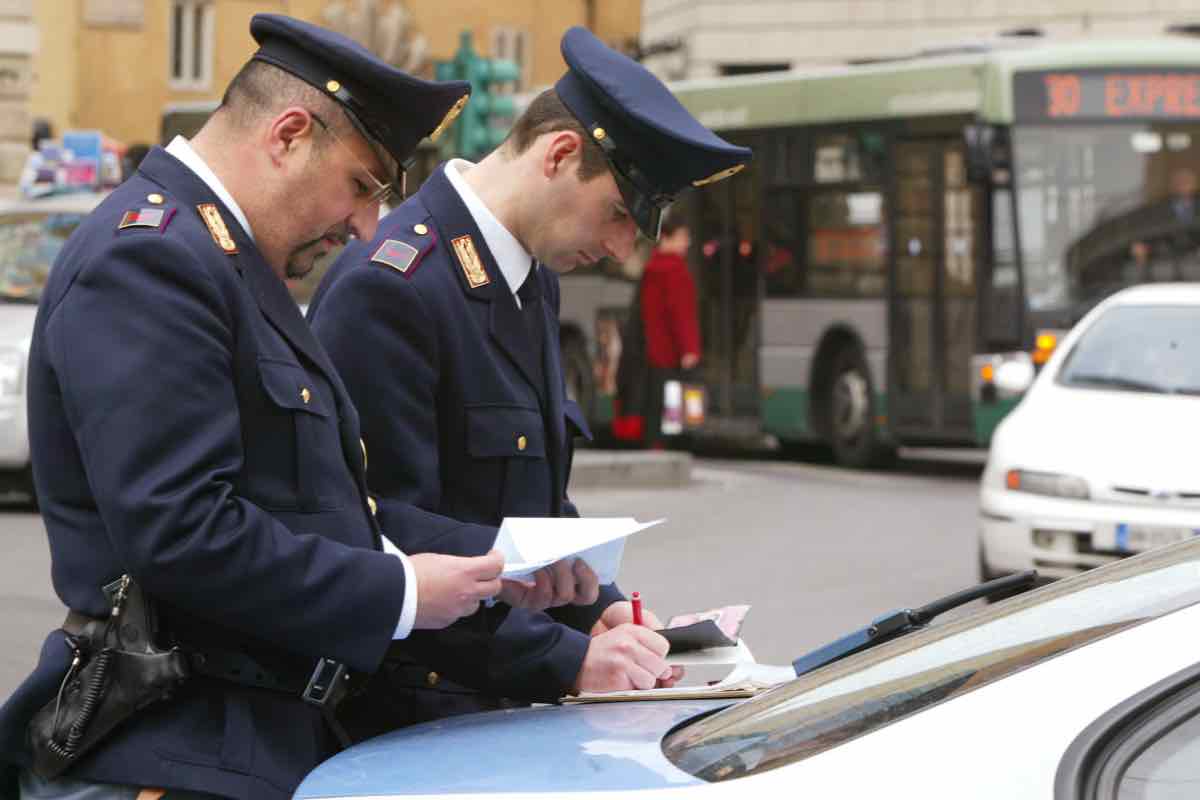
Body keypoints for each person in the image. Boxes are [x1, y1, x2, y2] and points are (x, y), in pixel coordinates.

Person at [0, 14, 513, 800]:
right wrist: (401, 592)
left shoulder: (224, 263)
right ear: (288, 134)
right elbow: (182, 530)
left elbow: (326, 510)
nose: (366, 225)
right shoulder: (151, 258)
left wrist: (496, 574)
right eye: (361, 185)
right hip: (176, 747)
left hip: (245, 740)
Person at [306, 26, 752, 732]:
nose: (616, 248)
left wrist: (601, 605)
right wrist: (567, 659)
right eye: (616, 214)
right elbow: (373, 537)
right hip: (412, 718)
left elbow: (529, 513)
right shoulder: (394, 288)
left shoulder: (530, 281)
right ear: (560, 153)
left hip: (496, 705)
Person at [638, 212, 702, 446]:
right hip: (673, 353)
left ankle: (656, 443)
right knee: (674, 404)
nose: (687, 242)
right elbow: (681, 315)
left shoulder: (650, 269)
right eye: (683, 237)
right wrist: (690, 349)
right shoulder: (676, 271)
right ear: (667, 237)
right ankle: (673, 442)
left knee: (658, 401)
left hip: (655, 351)